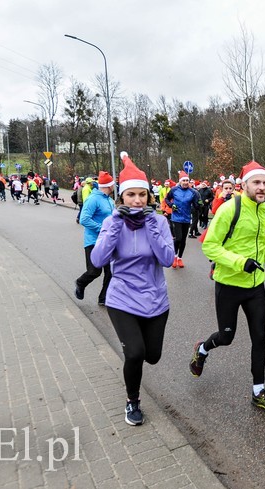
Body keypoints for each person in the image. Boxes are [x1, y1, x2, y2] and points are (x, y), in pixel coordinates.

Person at [188, 161, 265, 412]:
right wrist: (241, 263)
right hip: (229, 284)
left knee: (259, 337)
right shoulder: (230, 209)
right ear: (245, 185)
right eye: (256, 182)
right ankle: (202, 349)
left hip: (256, 286)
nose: (262, 187)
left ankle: (259, 391)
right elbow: (210, 246)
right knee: (226, 337)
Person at [90, 154, 174, 426]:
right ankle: (132, 401)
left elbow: (167, 260)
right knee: (135, 353)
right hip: (122, 298)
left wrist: (151, 225)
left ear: (149, 196)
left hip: (155, 299)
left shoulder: (159, 222)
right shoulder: (111, 222)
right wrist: (116, 223)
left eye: (142, 195)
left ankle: (138, 355)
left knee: (152, 356)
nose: (137, 200)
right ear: (122, 197)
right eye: (131, 195)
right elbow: (98, 260)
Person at [75, 171, 116, 306]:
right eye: (113, 183)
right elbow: (84, 219)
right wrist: (102, 229)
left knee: (111, 271)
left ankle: (104, 298)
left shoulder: (109, 200)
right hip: (93, 241)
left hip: (108, 242)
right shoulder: (93, 199)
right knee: (94, 271)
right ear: (109, 185)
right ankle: (80, 283)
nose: (115, 185)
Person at [165, 171, 199, 268]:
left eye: (187, 181)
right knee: (178, 238)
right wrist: (171, 205)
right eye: (183, 181)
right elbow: (166, 199)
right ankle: (174, 256)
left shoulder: (192, 192)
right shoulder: (174, 190)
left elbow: (196, 205)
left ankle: (180, 258)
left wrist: (199, 204)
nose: (185, 182)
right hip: (176, 217)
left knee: (183, 240)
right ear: (180, 181)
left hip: (186, 218)